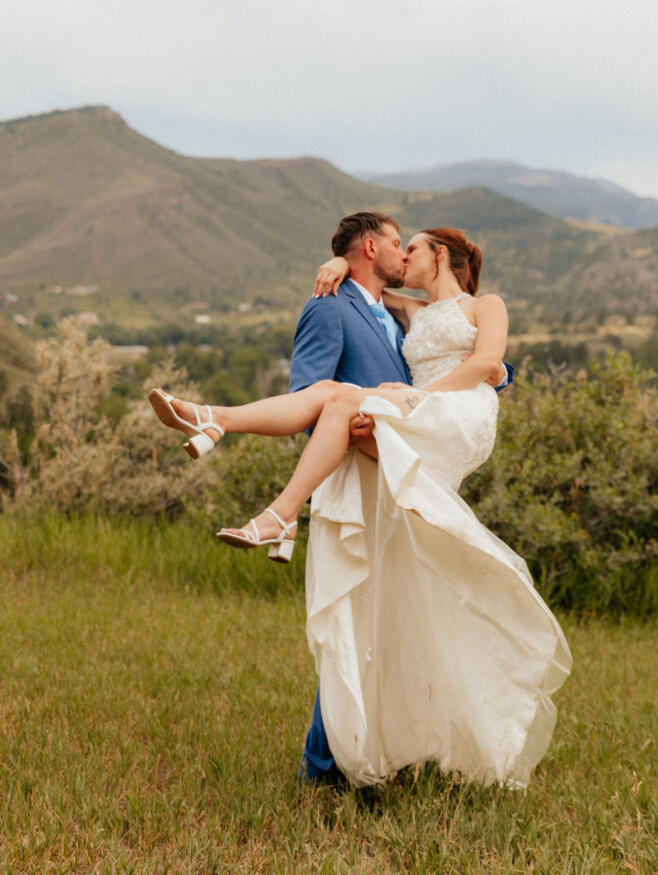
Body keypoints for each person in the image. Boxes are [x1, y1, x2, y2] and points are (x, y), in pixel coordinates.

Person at [149, 215, 571, 789]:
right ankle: (221, 432)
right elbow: (361, 309)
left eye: (412, 247)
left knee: (340, 405)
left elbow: (489, 364)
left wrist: (416, 398)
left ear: (440, 256)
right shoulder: (395, 310)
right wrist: (342, 264)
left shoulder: (480, 303)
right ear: (375, 248)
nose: (404, 254)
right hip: (384, 441)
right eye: (398, 245)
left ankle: (256, 479)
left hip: (437, 417)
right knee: (373, 612)